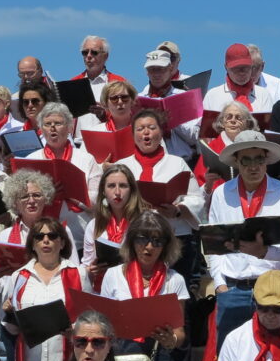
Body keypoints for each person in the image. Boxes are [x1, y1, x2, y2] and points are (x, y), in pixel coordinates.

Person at [206, 131, 280, 347]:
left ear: (266, 160)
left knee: (278, 357)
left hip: (274, 288)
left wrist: (263, 252)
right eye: (246, 160)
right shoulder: (222, 194)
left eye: (259, 159)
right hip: (233, 289)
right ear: (236, 162)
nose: (253, 166)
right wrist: (221, 285)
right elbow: (213, 245)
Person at [99, 211, 188, 361]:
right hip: (121, 352)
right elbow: (103, 322)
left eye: (157, 241)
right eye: (143, 239)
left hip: (159, 353)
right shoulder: (113, 275)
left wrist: (171, 340)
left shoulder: (175, 280)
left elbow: (180, 332)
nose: (149, 247)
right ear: (131, 241)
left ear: (165, 246)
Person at [117, 108, 206, 281]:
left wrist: (178, 210)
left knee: (176, 293)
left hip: (174, 237)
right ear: (133, 134)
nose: (146, 133)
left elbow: (197, 200)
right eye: (140, 129)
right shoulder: (123, 166)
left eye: (151, 127)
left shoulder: (177, 163)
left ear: (161, 132)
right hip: (135, 239)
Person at [2, 215, 88, 361]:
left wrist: (76, 331)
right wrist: (9, 313)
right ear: (33, 244)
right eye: (40, 237)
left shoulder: (79, 274)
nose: (46, 240)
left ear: (62, 243)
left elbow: (90, 318)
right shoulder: (18, 277)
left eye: (52, 236)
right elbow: (10, 329)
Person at [33, 102, 100, 249]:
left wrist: (72, 195)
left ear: (70, 127)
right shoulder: (31, 160)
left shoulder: (86, 159)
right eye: (47, 124)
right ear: (41, 129)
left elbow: (97, 199)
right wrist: (48, 196)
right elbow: (23, 203)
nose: (52, 128)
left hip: (81, 236)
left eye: (58, 123)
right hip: (43, 239)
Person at [82, 164, 147, 289]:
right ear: (103, 191)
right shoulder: (94, 225)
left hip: (139, 288)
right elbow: (86, 265)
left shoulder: (145, 222)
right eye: (111, 186)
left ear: (132, 190)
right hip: (104, 289)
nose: (117, 192)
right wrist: (91, 270)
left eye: (123, 186)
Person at [138, 48, 200, 159]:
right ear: (147, 72)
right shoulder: (139, 99)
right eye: (152, 70)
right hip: (149, 161)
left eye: (160, 69)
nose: (156, 74)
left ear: (170, 69)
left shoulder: (185, 97)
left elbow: (194, 136)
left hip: (182, 161)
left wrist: (173, 121)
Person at [205, 43, 276, 115]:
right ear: (226, 67)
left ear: (251, 66)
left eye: (245, 68)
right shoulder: (212, 96)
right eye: (236, 69)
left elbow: (269, 125)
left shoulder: (263, 95)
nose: (241, 73)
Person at [77, 79, 142, 140]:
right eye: (114, 98)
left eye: (124, 97)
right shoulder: (95, 132)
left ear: (132, 101)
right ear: (106, 104)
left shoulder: (144, 130)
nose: (120, 102)